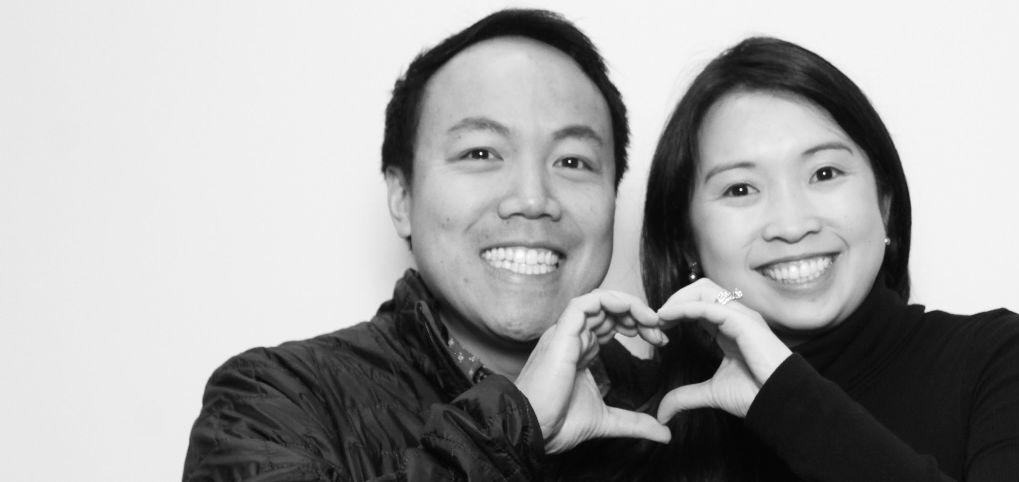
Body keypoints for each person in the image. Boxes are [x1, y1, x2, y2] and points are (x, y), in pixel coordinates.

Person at [183, 9, 671, 481]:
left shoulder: (676, 409)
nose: (531, 199)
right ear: (402, 198)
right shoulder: (269, 402)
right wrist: (513, 427)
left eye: (572, 161)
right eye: (480, 153)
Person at [638, 37, 1019, 481]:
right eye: (740, 189)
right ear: (686, 242)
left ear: (885, 203)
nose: (792, 224)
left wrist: (788, 399)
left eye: (825, 173)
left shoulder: (1006, 364)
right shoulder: (644, 421)